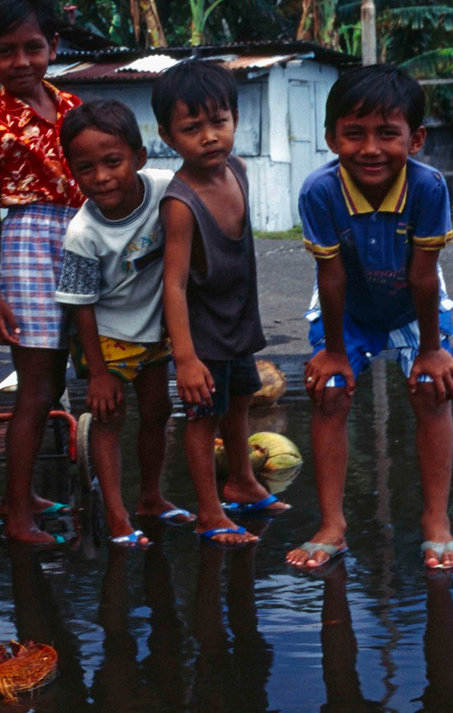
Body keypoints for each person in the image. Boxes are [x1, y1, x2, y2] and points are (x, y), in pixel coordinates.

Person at [285, 63, 453, 571]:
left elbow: (424, 277)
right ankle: (332, 524)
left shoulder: (429, 187)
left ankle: (436, 521)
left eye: (388, 134)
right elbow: (332, 278)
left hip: (414, 300)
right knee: (328, 391)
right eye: (354, 134)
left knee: (433, 386)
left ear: (416, 139)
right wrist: (335, 354)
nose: (370, 148)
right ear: (331, 138)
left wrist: (431, 349)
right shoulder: (319, 191)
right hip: (348, 299)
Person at [153, 59, 288, 549]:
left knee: (239, 403)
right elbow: (172, 285)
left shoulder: (238, 170)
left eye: (219, 122)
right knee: (202, 416)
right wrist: (185, 359)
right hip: (203, 334)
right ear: (168, 138)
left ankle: (242, 483)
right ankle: (209, 511)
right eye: (192, 129)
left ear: (235, 119)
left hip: (238, 321)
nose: (209, 137)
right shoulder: (181, 203)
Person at [53, 99, 192, 549]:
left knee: (158, 412)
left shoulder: (166, 189)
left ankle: (151, 498)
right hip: (106, 335)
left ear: (139, 156)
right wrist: (96, 374)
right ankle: (115, 513)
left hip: (154, 327)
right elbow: (81, 306)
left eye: (113, 162)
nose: (101, 177)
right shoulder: (82, 233)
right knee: (110, 418)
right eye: (85, 168)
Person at [0, 0, 85, 545]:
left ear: (54, 46)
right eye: (6, 50)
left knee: (63, 376)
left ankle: (22, 494)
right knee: (37, 387)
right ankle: (17, 515)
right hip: (25, 242)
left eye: (33, 47)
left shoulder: (72, 109)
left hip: (81, 239)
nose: (21, 61)